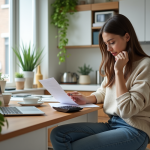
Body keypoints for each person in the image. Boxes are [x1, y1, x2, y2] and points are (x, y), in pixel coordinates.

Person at [50, 14, 150, 150]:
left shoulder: (145, 65)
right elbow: (105, 90)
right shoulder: (116, 64)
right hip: (113, 123)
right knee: (58, 134)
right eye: (106, 44)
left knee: (78, 147)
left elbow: (127, 110)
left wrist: (119, 72)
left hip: (134, 129)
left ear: (127, 37)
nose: (108, 49)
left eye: (112, 42)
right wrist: (85, 99)